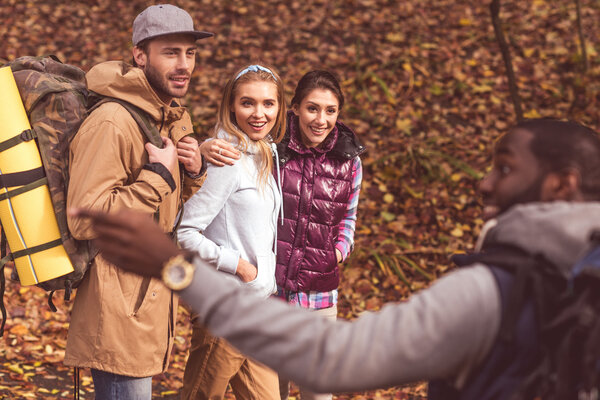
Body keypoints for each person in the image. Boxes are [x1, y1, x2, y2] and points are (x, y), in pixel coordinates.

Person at [70, 118, 600, 398]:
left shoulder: (495, 293)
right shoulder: (251, 160)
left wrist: (175, 267)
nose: (485, 182)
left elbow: (333, 356)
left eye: (504, 168)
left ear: (561, 184)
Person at [64, 4, 212, 399]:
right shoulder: (112, 121)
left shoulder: (169, 115)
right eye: (171, 52)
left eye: (190, 53)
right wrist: (158, 177)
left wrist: (192, 172)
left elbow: (167, 206)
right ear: (140, 55)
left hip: (148, 294)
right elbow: (84, 218)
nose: (184, 64)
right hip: (117, 304)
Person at [201, 70, 366, 400]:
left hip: (319, 298)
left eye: (330, 111)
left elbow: (349, 218)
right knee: (271, 391)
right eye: (312, 108)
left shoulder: (350, 162)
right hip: (271, 294)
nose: (320, 120)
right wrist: (204, 146)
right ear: (295, 109)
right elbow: (235, 157)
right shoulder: (271, 150)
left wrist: (335, 253)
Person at [176, 64, 286, 400]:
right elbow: (185, 232)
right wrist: (241, 267)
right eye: (247, 103)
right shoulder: (228, 159)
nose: (259, 113)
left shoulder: (264, 154)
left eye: (268, 103)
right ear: (231, 107)